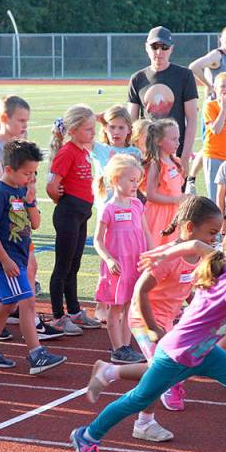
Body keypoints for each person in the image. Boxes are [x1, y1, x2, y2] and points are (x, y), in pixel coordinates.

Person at [70, 222, 226, 452]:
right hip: (178, 354)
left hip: (204, 352)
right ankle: (87, 436)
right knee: (139, 399)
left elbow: (196, 245)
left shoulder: (223, 261)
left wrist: (164, 253)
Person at [87, 196, 223, 432]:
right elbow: (140, 290)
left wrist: (192, 310)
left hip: (168, 319)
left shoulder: (200, 256)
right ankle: (145, 423)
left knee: (172, 367)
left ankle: (109, 371)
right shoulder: (168, 257)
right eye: (212, 232)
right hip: (144, 317)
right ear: (190, 228)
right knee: (158, 371)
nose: (215, 239)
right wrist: (151, 326)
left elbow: (184, 288)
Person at [0, 140, 66, 375]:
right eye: (26, 173)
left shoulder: (21, 191)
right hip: (9, 261)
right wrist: (4, 260)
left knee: (7, 305)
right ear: (9, 170)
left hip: (20, 257)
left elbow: (34, 224)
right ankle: (36, 354)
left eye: (33, 172)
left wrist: (31, 199)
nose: (30, 177)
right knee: (28, 302)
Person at [47, 105, 101, 334]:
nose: (93, 133)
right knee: (63, 266)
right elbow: (51, 186)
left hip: (81, 214)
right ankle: (58, 316)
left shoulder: (83, 151)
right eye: (89, 129)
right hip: (69, 213)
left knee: (75, 264)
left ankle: (75, 311)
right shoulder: (67, 152)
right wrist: (63, 201)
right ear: (74, 130)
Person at [93, 155, 151, 364]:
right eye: (131, 180)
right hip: (118, 266)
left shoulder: (137, 205)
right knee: (115, 307)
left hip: (136, 263)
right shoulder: (109, 208)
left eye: (138, 180)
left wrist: (152, 256)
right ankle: (117, 349)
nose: (136, 184)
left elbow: (146, 233)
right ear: (116, 180)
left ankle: (126, 347)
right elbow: (97, 241)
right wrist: (108, 260)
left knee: (129, 305)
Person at [126, 26, 199, 165]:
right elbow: (132, 122)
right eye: (154, 46)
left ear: (171, 49)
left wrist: (184, 157)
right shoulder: (137, 78)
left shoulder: (185, 76)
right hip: (146, 154)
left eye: (164, 47)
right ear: (146, 47)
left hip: (174, 153)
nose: (159, 52)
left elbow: (192, 119)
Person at [188, 27, 226, 192]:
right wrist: (209, 85)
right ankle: (191, 178)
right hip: (214, 107)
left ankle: (192, 178)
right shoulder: (216, 55)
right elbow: (194, 67)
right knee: (210, 145)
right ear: (221, 39)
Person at [143, 119, 186, 244]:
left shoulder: (175, 162)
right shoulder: (155, 165)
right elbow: (151, 195)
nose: (177, 143)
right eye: (173, 139)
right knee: (157, 247)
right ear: (159, 141)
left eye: (178, 138)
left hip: (175, 213)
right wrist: (175, 200)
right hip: (158, 215)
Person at [200, 72, 226, 199]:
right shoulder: (210, 106)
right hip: (214, 156)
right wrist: (223, 109)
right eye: (223, 86)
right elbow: (216, 130)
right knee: (215, 197)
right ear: (215, 88)